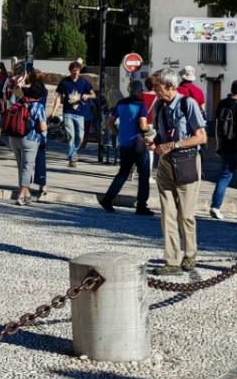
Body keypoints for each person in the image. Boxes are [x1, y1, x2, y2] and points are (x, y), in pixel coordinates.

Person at [150, 69, 208, 274]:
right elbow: (159, 133)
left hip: (187, 161)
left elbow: (201, 137)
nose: (154, 89)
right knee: (167, 214)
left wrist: (173, 145)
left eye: (157, 85)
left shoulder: (188, 104)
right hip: (165, 163)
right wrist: (153, 142)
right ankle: (172, 261)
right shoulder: (158, 105)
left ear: (170, 87)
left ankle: (190, 255)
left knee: (186, 215)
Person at [98, 85, 153, 215]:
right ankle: (141, 206)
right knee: (144, 175)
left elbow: (110, 123)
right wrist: (149, 130)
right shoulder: (141, 104)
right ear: (140, 92)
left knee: (122, 173)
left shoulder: (120, 103)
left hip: (124, 143)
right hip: (138, 143)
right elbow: (143, 125)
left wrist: (118, 133)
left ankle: (107, 199)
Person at [208, 80, 237, 220]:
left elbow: (217, 126)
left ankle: (215, 206)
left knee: (224, 176)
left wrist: (218, 145)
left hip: (226, 146)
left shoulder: (222, 104)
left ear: (231, 90)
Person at [11, 74, 48, 206]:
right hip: (30, 139)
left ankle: (26, 194)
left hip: (13, 137)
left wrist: (20, 79)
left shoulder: (20, 100)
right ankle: (21, 195)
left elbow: (15, 89)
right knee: (27, 167)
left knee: (20, 166)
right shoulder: (39, 106)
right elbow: (43, 127)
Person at [57, 60, 95, 167]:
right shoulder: (64, 82)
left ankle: (74, 153)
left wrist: (88, 96)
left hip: (80, 114)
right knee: (71, 136)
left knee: (80, 137)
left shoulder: (84, 82)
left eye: (77, 71)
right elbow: (58, 97)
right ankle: (72, 159)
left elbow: (94, 95)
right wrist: (54, 110)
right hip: (68, 112)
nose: (76, 73)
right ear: (70, 71)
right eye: (74, 71)